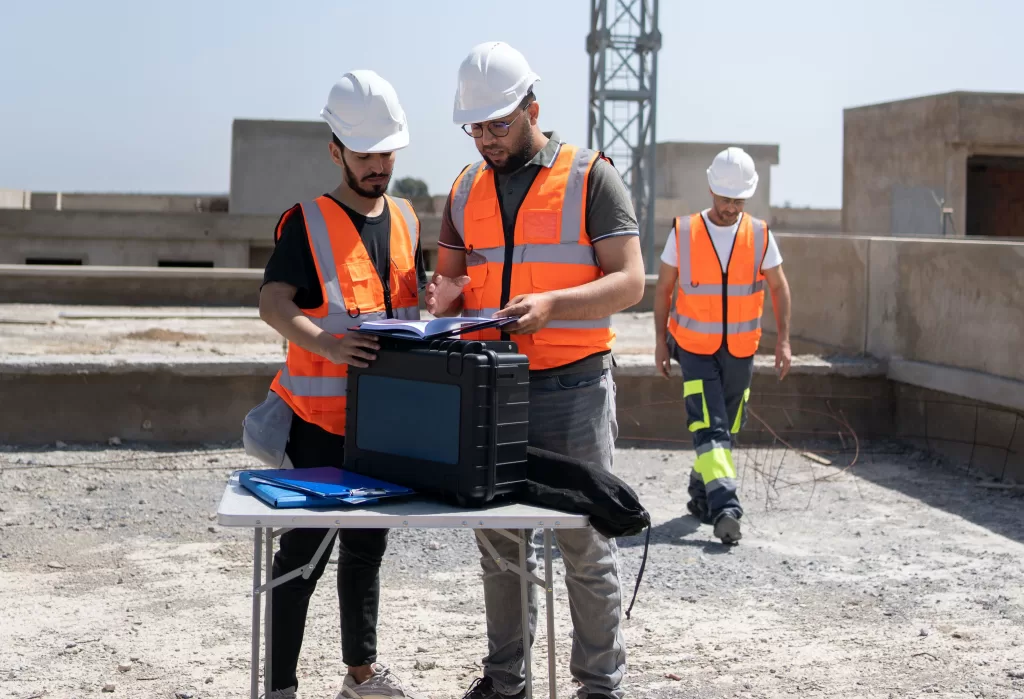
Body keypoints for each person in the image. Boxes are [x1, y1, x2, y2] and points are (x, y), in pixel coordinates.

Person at [425, 41, 646, 699]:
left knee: (585, 540)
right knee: (499, 544)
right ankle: (505, 682)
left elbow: (631, 281)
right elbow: (450, 282)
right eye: (475, 128)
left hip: (573, 386)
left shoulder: (591, 177)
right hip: (491, 387)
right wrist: (440, 297)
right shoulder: (464, 187)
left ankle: (599, 686)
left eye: (498, 124)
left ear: (532, 110)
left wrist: (553, 305)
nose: (486, 139)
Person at [257, 70, 429, 699]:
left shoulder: (407, 219)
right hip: (318, 427)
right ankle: (280, 688)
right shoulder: (306, 222)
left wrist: (438, 302)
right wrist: (327, 345)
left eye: (387, 153)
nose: (379, 166)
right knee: (302, 558)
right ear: (336, 151)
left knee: (366, 552)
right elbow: (273, 303)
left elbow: (406, 309)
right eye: (365, 155)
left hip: (383, 427)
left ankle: (360, 675)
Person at [652, 146, 793, 545]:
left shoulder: (760, 234)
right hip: (694, 348)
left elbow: (780, 288)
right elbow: (663, 290)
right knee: (708, 426)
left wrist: (783, 341)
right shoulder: (684, 232)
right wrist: (660, 343)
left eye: (739, 201)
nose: (731, 208)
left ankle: (700, 495)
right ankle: (726, 508)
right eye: (726, 199)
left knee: (728, 428)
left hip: (741, 349)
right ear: (713, 190)